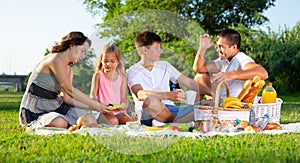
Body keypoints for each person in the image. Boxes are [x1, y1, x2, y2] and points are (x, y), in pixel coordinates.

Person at [19, 31, 113, 129]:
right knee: (60, 123)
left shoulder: (70, 67)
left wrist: (93, 106)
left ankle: (69, 125)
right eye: (82, 50)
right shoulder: (55, 59)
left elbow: (67, 97)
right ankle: (65, 124)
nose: (83, 55)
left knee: (90, 120)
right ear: (72, 45)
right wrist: (93, 102)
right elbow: (69, 89)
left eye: (85, 53)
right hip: (36, 108)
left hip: (56, 105)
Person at [126, 30, 211, 126]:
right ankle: (182, 121)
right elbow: (140, 94)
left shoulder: (165, 66)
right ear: (145, 50)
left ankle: (176, 121)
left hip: (173, 110)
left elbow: (189, 82)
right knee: (150, 101)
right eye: (157, 48)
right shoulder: (132, 71)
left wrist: (212, 93)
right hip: (149, 113)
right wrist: (167, 95)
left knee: (207, 104)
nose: (160, 51)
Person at [193, 28, 268, 100]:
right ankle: (191, 108)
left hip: (232, 105)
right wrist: (202, 48)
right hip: (221, 99)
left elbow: (263, 73)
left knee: (200, 78)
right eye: (217, 46)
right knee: (200, 77)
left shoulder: (240, 58)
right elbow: (199, 68)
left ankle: (193, 109)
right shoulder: (224, 60)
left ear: (234, 47)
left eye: (221, 46)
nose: (218, 50)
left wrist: (228, 75)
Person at [90, 43, 133, 125]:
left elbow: (124, 97)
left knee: (130, 122)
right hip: (101, 111)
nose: (108, 64)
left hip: (117, 111)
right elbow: (93, 96)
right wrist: (100, 105)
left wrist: (124, 104)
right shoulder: (98, 75)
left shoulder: (122, 78)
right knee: (113, 121)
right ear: (101, 61)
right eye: (105, 61)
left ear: (118, 62)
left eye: (112, 61)